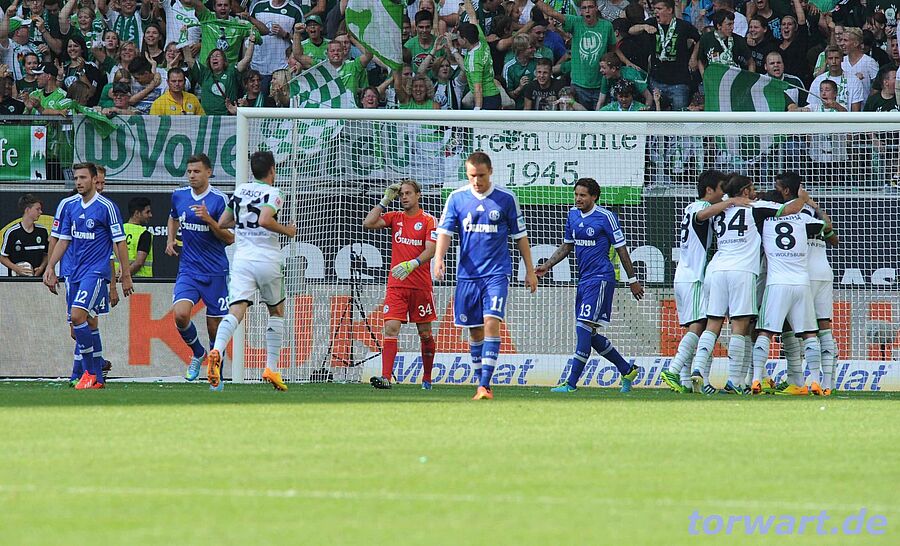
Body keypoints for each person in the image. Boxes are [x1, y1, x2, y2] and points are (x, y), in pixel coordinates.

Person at [688, 174, 808, 394]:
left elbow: (701, 215)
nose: (755, 192)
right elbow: (790, 209)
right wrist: (803, 198)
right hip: (742, 271)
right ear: (744, 191)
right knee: (740, 326)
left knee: (713, 323)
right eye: (752, 189)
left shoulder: (720, 209)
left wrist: (731, 201)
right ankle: (734, 380)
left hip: (718, 269)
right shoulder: (756, 207)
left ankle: (698, 369)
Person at [433, 152, 538, 400]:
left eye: (481, 175)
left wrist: (530, 270)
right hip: (468, 275)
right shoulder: (457, 198)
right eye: (472, 176)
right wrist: (438, 259)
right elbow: (445, 232)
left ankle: (485, 385)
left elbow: (520, 236)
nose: (476, 180)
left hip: (497, 273)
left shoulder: (506, 198)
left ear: (490, 172)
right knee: (475, 331)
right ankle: (480, 382)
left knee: (491, 321)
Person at [535, 178, 645, 393]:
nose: (578, 199)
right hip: (584, 280)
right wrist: (547, 265)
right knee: (590, 335)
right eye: (576, 194)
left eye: (583, 195)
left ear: (594, 196)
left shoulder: (606, 217)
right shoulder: (572, 215)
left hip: (601, 278)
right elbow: (567, 246)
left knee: (583, 328)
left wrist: (632, 280)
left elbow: (622, 249)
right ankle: (626, 370)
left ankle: (571, 383)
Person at [207, 151, 296, 392]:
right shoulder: (274, 193)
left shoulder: (240, 190)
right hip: (267, 259)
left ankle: (217, 350)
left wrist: (245, 223)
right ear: (272, 170)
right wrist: (288, 230)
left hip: (242, 260)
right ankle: (271, 368)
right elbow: (265, 219)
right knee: (276, 311)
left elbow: (223, 222)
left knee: (236, 310)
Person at [43, 163, 133, 390]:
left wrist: (125, 275)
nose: (78, 182)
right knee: (84, 324)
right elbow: (63, 239)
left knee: (78, 316)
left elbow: (119, 242)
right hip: (73, 273)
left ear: (94, 180)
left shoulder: (106, 207)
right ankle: (97, 376)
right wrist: (50, 267)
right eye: (76, 178)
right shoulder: (70, 206)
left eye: (83, 178)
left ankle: (90, 371)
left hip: (96, 272)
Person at [660, 171, 749, 393]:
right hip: (694, 277)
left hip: (684, 275)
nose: (724, 194)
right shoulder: (700, 208)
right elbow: (702, 216)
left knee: (698, 329)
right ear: (709, 190)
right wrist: (732, 201)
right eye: (721, 190)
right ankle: (673, 369)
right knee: (701, 326)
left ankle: (686, 382)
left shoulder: (691, 207)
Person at [752, 181, 827, 396]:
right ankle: (815, 381)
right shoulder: (803, 219)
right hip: (801, 283)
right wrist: (810, 202)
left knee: (765, 332)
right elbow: (825, 226)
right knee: (809, 334)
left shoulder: (764, 221)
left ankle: (756, 379)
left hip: (777, 283)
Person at [362, 179, 438, 390]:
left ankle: (427, 378)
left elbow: (431, 249)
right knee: (391, 328)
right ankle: (386, 377)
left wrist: (413, 264)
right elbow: (368, 223)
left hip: (420, 286)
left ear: (418, 195)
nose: (404, 197)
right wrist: (385, 200)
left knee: (425, 334)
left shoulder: (428, 220)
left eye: (408, 193)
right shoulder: (395, 217)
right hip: (397, 285)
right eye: (401, 194)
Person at [166, 153, 233, 384]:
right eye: (189, 172)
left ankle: (216, 374)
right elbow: (173, 218)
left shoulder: (219, 200)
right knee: (180, 314)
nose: (192, 175)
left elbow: (230, 238)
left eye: (197, 171)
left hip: (215, 272)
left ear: (209, 172)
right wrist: (170, 239)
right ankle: (197, 352)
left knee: (215, 329)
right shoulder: (179, 195)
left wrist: (210, 220)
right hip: (189, 270)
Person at [534, 0, 616, 109]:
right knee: (579, 119)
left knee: (600, 119)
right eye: (584, 8)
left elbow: (612, 51)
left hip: (601, 84)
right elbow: (553, 13)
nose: (587, 10)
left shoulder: (607, 26)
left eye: (590, 7)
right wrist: (535, 1)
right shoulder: (575, 22)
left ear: (596, 8)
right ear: (580, 11)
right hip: (578, 85)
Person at [634, 0, 701, 111]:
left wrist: (693, 57)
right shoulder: (652, 23)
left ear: (670, 10)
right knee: (656, 115)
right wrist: (643, 27)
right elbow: (631, 30)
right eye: (655, 9)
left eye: (659, 9)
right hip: (656, 81)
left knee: (678, 116)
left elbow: (700, 39)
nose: (656, 11)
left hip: (679, 83)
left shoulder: (682, 26)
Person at [458, 0, 502, 109]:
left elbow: (478, 89)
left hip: (487, 100)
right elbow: (472, 16)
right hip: (494, 95)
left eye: (458, 37)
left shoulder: (474, 60)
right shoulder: (481, 41)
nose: (457, 40)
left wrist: (477, 110)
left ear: (464, 40)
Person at [0, 194, 49, 277]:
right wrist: (16, 269)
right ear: (27, 210)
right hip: (17, 280)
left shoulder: (42, 231)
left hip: (38, 279)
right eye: (37, 209)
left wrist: (41, 267)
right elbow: (2, 257)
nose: (41, 212)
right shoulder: (12, 232)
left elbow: (46, 254)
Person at [808, 46, 865, 112]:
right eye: (830, 58)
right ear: (826, 60)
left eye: (837, 58)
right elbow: (811, 107)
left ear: (842, 59)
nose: (834, 61)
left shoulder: (854, 81)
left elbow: (856, 113)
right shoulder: (818, 81)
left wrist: (837, 106)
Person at [698, 10, 755, 74]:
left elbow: (751, 62)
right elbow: (700, 60)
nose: (732, 27)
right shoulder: (706, 38)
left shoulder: (738, 40)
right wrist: (705, 77)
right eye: (729, 24)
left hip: (733, 77)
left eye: (733, 24)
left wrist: (750, 78)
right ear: (719, 26)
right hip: (713, 77)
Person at [122, 196, 153, 278]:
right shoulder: (144, 234)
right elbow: (139, 262)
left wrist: (118, 277)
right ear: (137, 213)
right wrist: (124, 276)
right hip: (140, 281)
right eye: (147, 212)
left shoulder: (119, 230)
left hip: (116, 279)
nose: (150, 215)